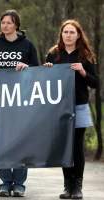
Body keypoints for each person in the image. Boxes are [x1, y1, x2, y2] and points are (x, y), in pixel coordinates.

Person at [0, 10, 39, 197]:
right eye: (3, 23)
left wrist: (27, 67)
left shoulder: (27, 45)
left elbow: (38, 72)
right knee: (2, 143)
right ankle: (5, 183)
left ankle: (19, 185)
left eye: (9, 22)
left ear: (16, 25)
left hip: (21, 101)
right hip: (0, 102)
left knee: (20, 143)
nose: (5, 26)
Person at [44, 19, 98, 199]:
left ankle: (77, 187)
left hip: (79, 106)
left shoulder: (85, 55)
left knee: (76, 147)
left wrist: (83, 71)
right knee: (65, 148)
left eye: (72, 32)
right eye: (65, 32)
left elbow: (96, 83)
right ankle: (67, 187)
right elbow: (43, 83)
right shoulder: (54, 54)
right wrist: (47, 71)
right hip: (59, 108)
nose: (68, 35)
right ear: (61, 34)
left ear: (78, 35)